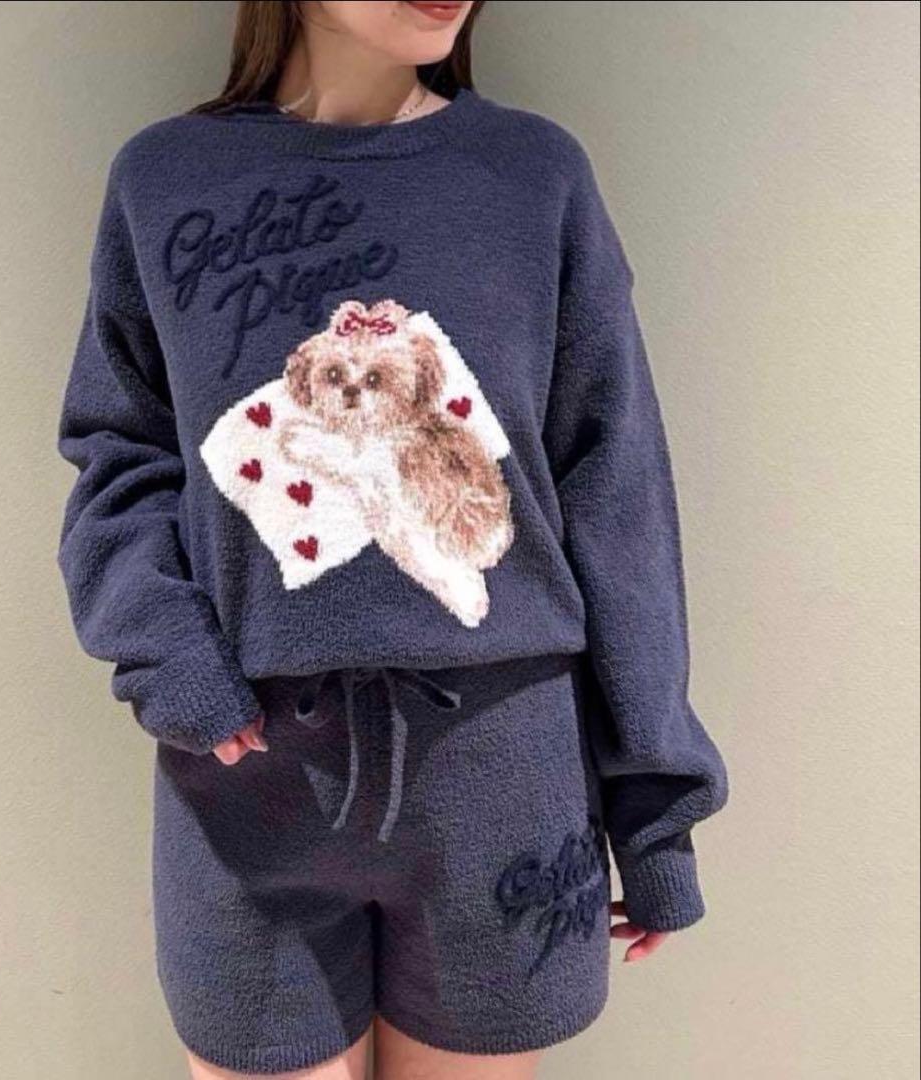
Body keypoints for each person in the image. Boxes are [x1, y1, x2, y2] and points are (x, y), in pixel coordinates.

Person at [54, 2, 730, 1077]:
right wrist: (167, 657)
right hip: (246, 785)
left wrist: (656, 810)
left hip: (504, 780)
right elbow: (120, 457)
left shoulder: (534, 176)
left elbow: (617, 496)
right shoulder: (164, 180)